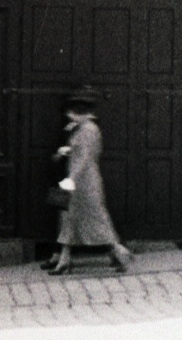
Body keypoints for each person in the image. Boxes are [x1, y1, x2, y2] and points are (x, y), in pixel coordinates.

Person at [41, 87, 132, 274]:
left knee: (94, 220)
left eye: (73, 113)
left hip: (82, 183)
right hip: (77, 181)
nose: (70, 117)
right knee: (68, 219)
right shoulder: (82, 128)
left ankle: (119, 252)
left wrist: (70, 179)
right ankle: (64, 259)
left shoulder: (88, 130)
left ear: (81, 113)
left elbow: (84, 158)